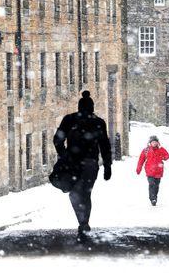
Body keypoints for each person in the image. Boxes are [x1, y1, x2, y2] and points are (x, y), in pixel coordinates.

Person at [53, 90, 112, 240]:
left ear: (79, 107)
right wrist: (107, 165)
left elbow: (58, 139)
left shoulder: (69, 120)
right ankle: (84, 222)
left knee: (75, 194)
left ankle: (83, 223)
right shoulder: (98, 122)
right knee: (85, 193)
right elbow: (104, 145)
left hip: (73, 163)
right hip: (90, 164)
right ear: (92, 106)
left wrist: (64, 155)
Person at [136, 135, 169, 206]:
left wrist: (161, 148)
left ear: (158, 143)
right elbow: (141, 160)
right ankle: (152, 198)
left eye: (156, 142)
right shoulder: (146, 150)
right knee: (151, 184)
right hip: (149, 171)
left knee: (156, 186)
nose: (154, 143)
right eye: (153, 142)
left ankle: (155, 197)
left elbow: (167, 157)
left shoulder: (160, 149)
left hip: (158, 171)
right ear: (150, 143)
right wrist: (139, 169)